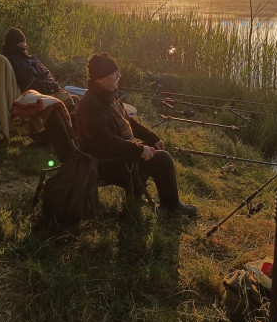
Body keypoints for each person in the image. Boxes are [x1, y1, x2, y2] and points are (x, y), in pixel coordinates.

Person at [76, 52, 198, 217]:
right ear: (100, 78)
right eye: (114, 73)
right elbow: (104, 142)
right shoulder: (91, 104)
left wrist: (152, 138)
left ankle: (136, 193)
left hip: (116, 156)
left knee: (153, 148)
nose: (119, 76)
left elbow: (129, 122)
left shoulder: (107, 96)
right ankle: (172, 208)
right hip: (104, 163)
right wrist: (138, 150)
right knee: (163, 159)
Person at [0, 28, 60, 95]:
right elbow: (33, 86)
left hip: (48, 85)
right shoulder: (17, 61)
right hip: (44, 92)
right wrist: (53, 87)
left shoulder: (15, 57)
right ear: (20, 44)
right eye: (24, 44)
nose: (25, 46)